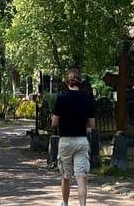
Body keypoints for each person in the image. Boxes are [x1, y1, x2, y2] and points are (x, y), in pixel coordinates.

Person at [51, 67, 95, 206]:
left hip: (65, 141)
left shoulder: (61, 98)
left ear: (67, 82)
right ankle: (83, 205)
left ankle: (65, 203)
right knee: (81, 176)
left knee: (66, 176)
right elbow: (92, 124)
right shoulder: (87, 99)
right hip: (81, 140)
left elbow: (54, 122)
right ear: (79, 81)